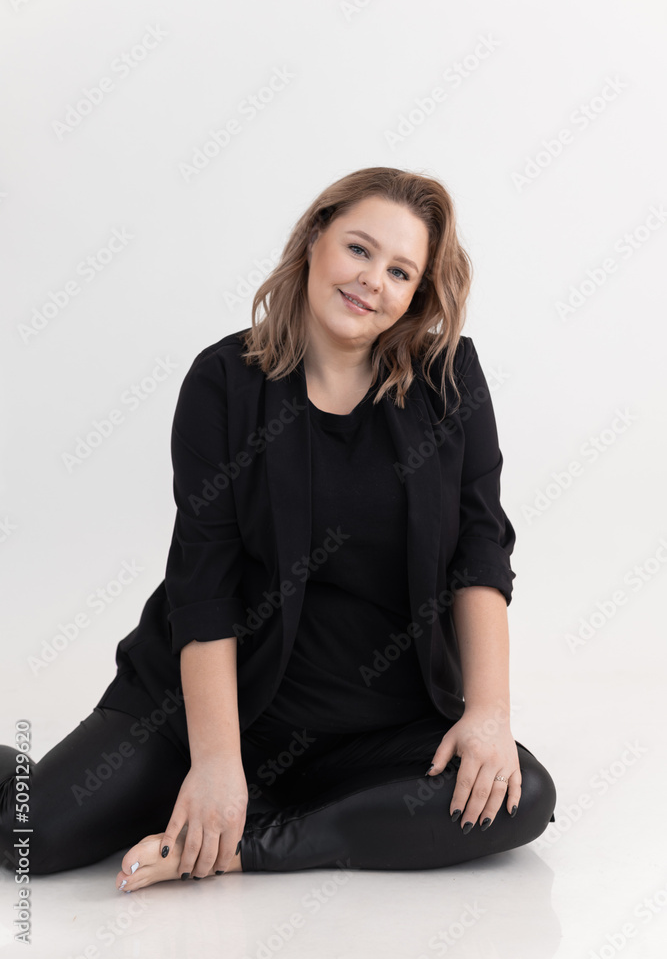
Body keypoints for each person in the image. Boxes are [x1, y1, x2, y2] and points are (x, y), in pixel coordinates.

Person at [1, 166, 556, 892]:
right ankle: (232, 798)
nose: (371, 282)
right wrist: (216, 764)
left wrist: (486, 712)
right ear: (315, 237)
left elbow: (481, 551)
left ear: (417, 293)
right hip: (208, 706)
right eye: (358, 249)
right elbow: (204, 582)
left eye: (399, 271)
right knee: (30, 835)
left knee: (524, 795)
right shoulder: (223, 381)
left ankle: (251, 843)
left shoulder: (448, 376)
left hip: (376, 724)